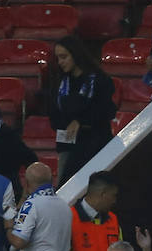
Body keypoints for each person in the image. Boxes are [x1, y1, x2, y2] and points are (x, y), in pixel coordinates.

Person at [47, 36, 116, 186]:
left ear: (76, 54)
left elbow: (107, 110)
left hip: (96, 144)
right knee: (65, 189)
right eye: (58, 58)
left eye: (64, 57)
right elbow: (53, 116)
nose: (60, 62)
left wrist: (80, 122)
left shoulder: (100, 80)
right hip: (67, 146)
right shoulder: (59, 82)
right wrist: (67, 123)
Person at [70, 170, 122, 251]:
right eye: (113, 195)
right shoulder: (68, 218)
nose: (115, 201)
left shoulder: (113, 220)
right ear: (103, 194)